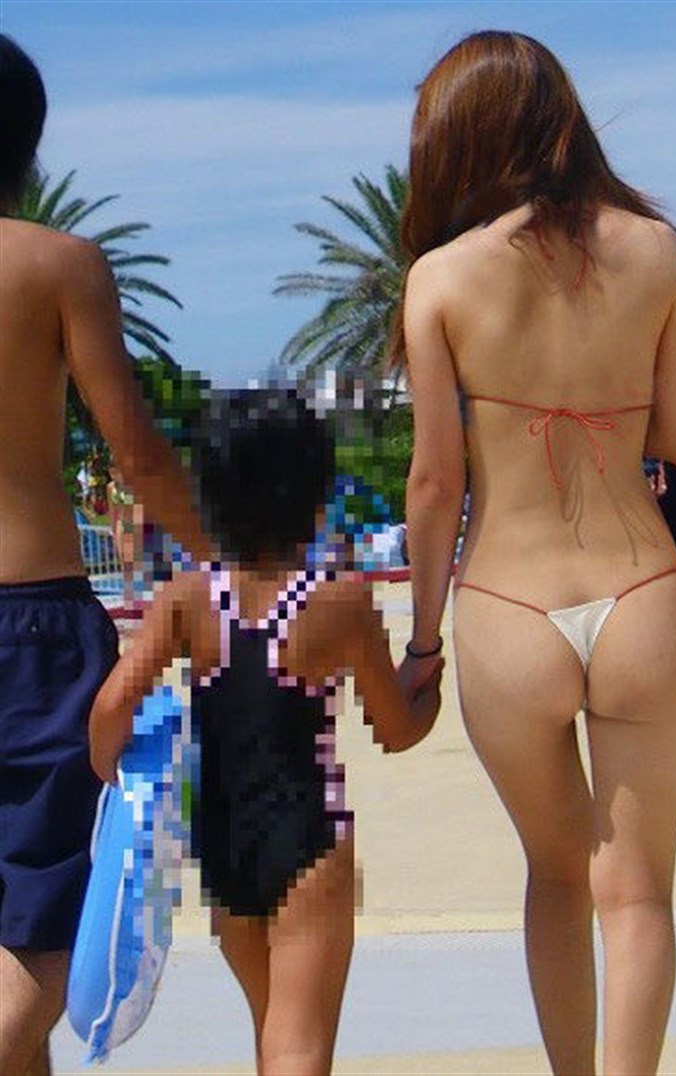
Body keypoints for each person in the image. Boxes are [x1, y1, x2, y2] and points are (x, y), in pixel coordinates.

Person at [393, 31, 676, 1076]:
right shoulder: (654, 250)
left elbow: (434, 484)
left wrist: (423, 644)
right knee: (639, 892)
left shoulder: (439, 280)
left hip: (507, 606)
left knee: (557, 875)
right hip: (644, 591)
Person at [88, 388, 442, 1076]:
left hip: (223, 844)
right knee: (298, 1046)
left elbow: (110, 708)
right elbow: (395, 730)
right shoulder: (337, 599)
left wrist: (118, 784)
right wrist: (425, 686)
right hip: (307, 840)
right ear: (314, 491)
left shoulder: (188, 598)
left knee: (272, 1032)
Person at [0, 34, 210, 1076]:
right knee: (42, 935)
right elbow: (133, 448)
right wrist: (219, 557)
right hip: (29, 620)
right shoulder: (56, 264)